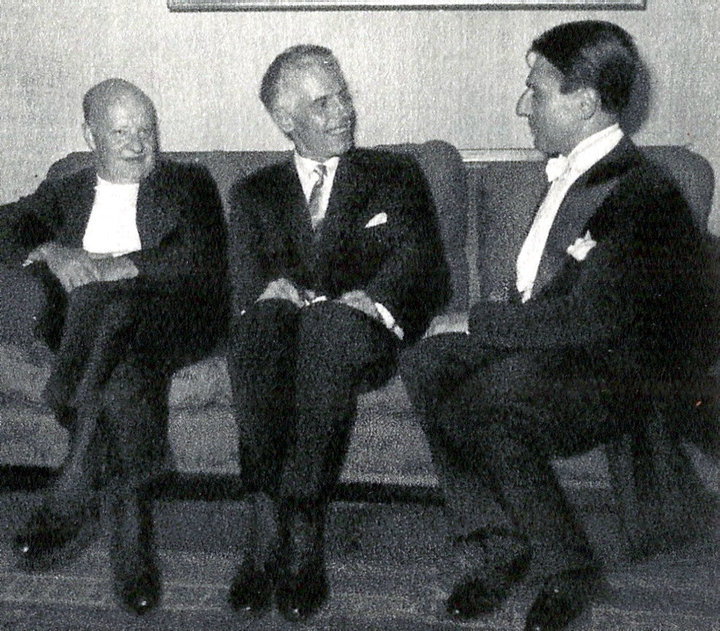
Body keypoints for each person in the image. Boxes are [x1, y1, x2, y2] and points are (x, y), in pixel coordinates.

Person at [399, 21, 714, 631]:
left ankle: (566, 566)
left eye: (536, 91)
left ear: (587, 103)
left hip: (614, 374)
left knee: (479, 403)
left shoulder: (645, 194)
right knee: (425, 359)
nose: (523, 105)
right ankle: (500, 537)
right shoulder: (572, 168)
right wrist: (464, 330)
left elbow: (585, 319)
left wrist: (476, 321)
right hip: (559, 351)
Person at [226, 45, 450, 621]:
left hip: (363, 334)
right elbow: (244, 281)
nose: (344, 111)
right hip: (281, 340)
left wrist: (373, 300)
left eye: (344, 94)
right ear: (285, 121)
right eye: (323, 103)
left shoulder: (393, 174)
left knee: (326, 324)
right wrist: (265, 293)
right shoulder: (255, 193)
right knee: (260, 327)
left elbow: (421, 261)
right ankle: (263, 518)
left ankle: (298, 527)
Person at [0, 79, 228, 615]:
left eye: (146, 130)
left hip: (175, 319)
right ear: (90, 134)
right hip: (97, 337)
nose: (137, 144)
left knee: (109, 303)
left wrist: (105, 270)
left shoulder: (189, 182)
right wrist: (54, 251)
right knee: (122, 369)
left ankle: (74, 479)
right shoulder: (66, 189)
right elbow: (5, 224)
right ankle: (132, 528)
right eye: (121, 132)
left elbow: (193, 256)